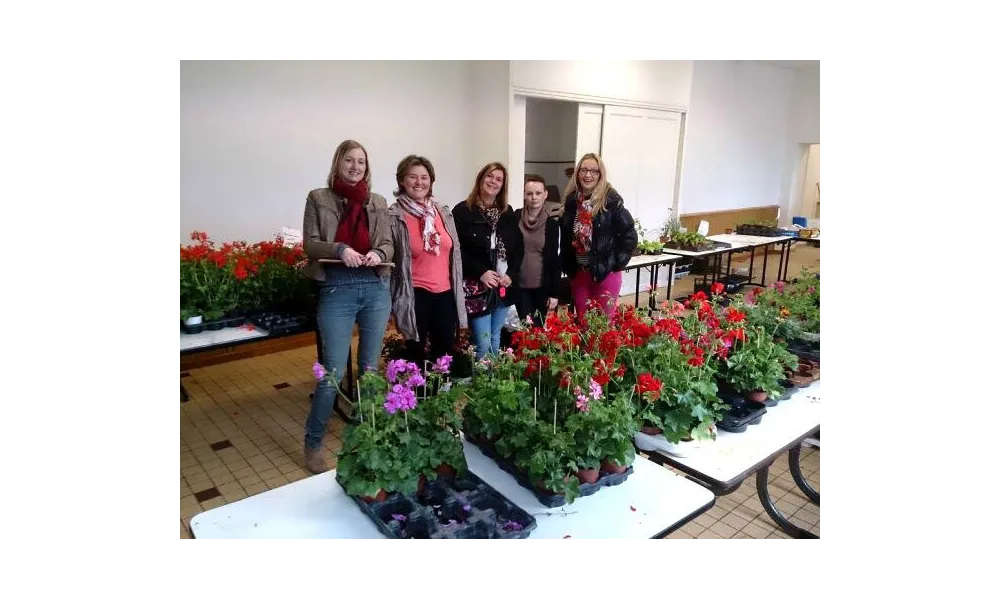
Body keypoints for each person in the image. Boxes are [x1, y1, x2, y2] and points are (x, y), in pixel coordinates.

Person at [301, 140, 393, 474]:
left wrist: (379, 254)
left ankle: (365, 435)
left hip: (375, 287)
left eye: (361, 162)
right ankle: (313, 442)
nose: (356, 167)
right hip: (337, 288)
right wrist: (340, 249)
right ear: (338, 162)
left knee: (369, 369)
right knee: (333, 373)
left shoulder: (378, 201)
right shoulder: (319, 198)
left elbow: (387, 244)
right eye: (350, 160)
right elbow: (310, 243)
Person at [387, 155, 467, 367]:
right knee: (415, 353)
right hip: (415, 294)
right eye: (412, 177)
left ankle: (440, 396)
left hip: (445, 293)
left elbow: (454, 252)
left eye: (424, 177)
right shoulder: (394, 216)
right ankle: (415, 399)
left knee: (444, 352)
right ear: (402, 181)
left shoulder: (442, 212)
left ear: (431, 181)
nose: (419, 182)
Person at [451, 162, 523, 360]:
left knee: (494, 337)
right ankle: (481, 387)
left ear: (503, 186)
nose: (493, 181)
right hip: (476, 285)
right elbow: (456, 250)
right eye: (490, 176)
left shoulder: (507, 213)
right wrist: (480, 272)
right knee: (482, 342)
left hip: (503, 286)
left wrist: (511, 274)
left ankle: (493, 386)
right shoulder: (462, 211)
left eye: (499, 179)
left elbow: (518, 249)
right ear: (481, 179)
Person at [560, 153, 637, 319]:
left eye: (594, 171)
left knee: (602, 331)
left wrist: (615, 264)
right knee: (583, 326)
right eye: (584, 170)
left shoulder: (611, 202)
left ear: (600, 175)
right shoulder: (572, 202)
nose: (588, 175)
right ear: (577, 173)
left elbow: (630, 236)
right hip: (579, 275)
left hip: (605, 275)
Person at [513, 175, 561, 326]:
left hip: (541, 288)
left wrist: (554, 293)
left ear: (545, 194)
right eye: (529, 193)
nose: (534, 197)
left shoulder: (552, 225)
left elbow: (555, 261)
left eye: (538, 193)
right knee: (524, 330)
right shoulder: (514, 218)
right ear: (524, 195)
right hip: (519, 286)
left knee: (538, 330)